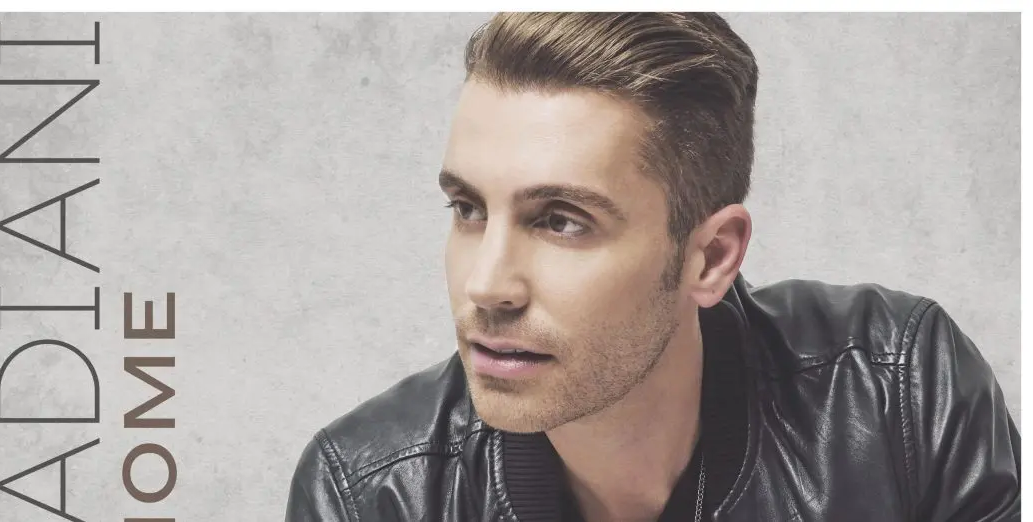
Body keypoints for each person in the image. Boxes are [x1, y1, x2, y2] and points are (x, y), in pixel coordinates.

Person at [285, 12, 1020, 522]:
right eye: (469, 209)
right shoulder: (372, 495)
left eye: (561, 220)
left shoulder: (895, 392)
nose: (486, 285)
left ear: (712, 256)